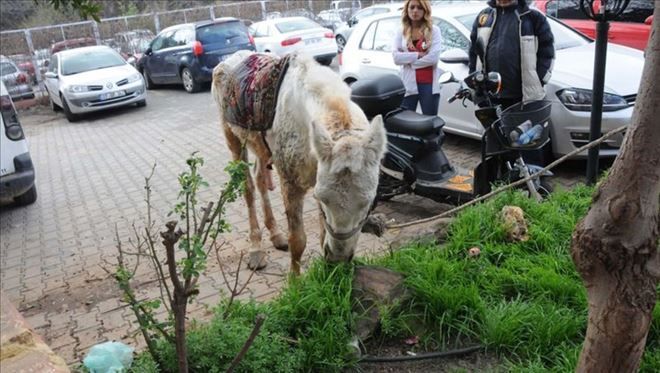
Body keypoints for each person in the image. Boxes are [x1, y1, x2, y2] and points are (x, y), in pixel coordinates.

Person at [468, 0, 555, 163]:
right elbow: (474, 52)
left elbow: (547, 52)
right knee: (496, 147)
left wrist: (538, 80)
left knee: (528, 145)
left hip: (523, 98)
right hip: (491, 97)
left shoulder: (533, 18)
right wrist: (475, 81)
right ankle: (502, 183)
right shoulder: (484, 17)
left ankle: (532, 184)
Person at [392, 0, 442, 116]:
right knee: (407, 122)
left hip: (428, 85)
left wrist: (410, 62)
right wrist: (417, 55)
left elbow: (433, 58)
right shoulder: (401, 31)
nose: (415, 11)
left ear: (425, 10)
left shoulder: (434, 30)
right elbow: (396, 58)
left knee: (430, 123)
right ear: (407, 10)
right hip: (408, 84)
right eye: (412, 7)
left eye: (419, 8)